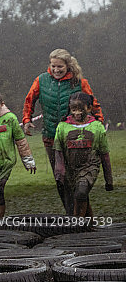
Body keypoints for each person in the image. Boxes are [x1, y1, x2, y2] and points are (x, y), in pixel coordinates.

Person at [22, 49, 103, 209]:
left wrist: (99, 122)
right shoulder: (41, 80)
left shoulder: (79, 82)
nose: (56, 70)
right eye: (53, 66)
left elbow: (93, 103)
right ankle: (71, 215)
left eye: (60, 66)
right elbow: (29, 100)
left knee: (78, 179)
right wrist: (26, 119)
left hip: (75, 136)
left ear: (68, 66)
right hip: (51, 136)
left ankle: (84, 218)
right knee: (61, 178)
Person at [53, 92, 114, 217]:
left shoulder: (97, 127)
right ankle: (90, 225)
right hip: (71, 169)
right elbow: (58, 150)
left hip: (90, 166)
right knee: (81, 194)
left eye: (81, 109)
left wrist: (109, 180)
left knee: (81, 192)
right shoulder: (62, 126)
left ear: (89, 108)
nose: (77, 113)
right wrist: (60, 171)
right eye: (73, 109)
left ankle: (77, 224)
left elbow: (104, 154)